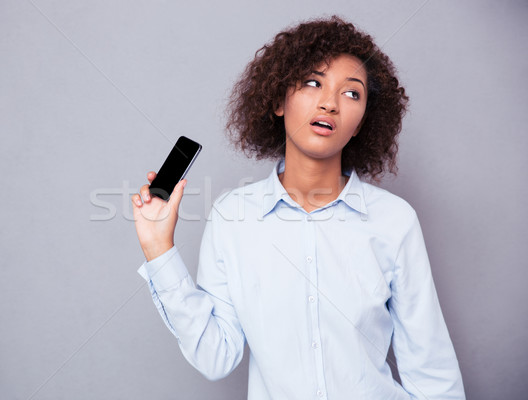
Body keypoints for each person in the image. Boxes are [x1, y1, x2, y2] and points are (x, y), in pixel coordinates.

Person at [132, 16, 465, 399]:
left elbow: (432, 373)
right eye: (312, 82)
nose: (330, 103)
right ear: (277, 100)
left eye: (351, 93)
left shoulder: (395, 221)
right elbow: (215, 356)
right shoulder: (231, 217)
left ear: (360, 124)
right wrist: (159, 249)